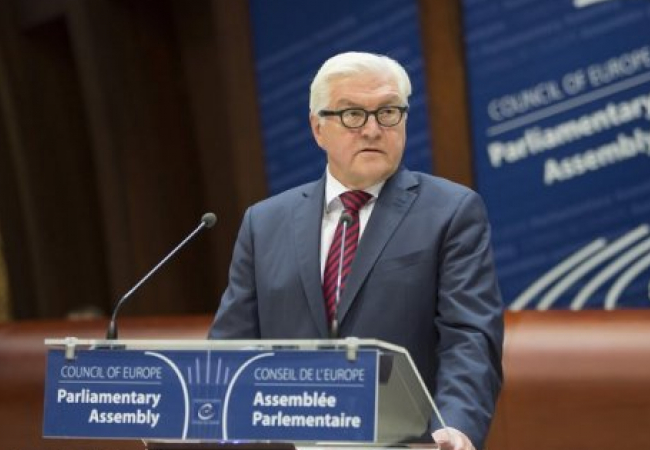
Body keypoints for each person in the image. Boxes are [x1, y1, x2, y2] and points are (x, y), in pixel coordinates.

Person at [209, 51, 503, 450]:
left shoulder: (451, 211)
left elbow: (469, 337)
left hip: (407, 443)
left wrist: (455, 426)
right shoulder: (264, 223)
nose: (372, 130)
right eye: (351, 115)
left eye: (387, 113)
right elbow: (230, 348)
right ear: (318, 128)